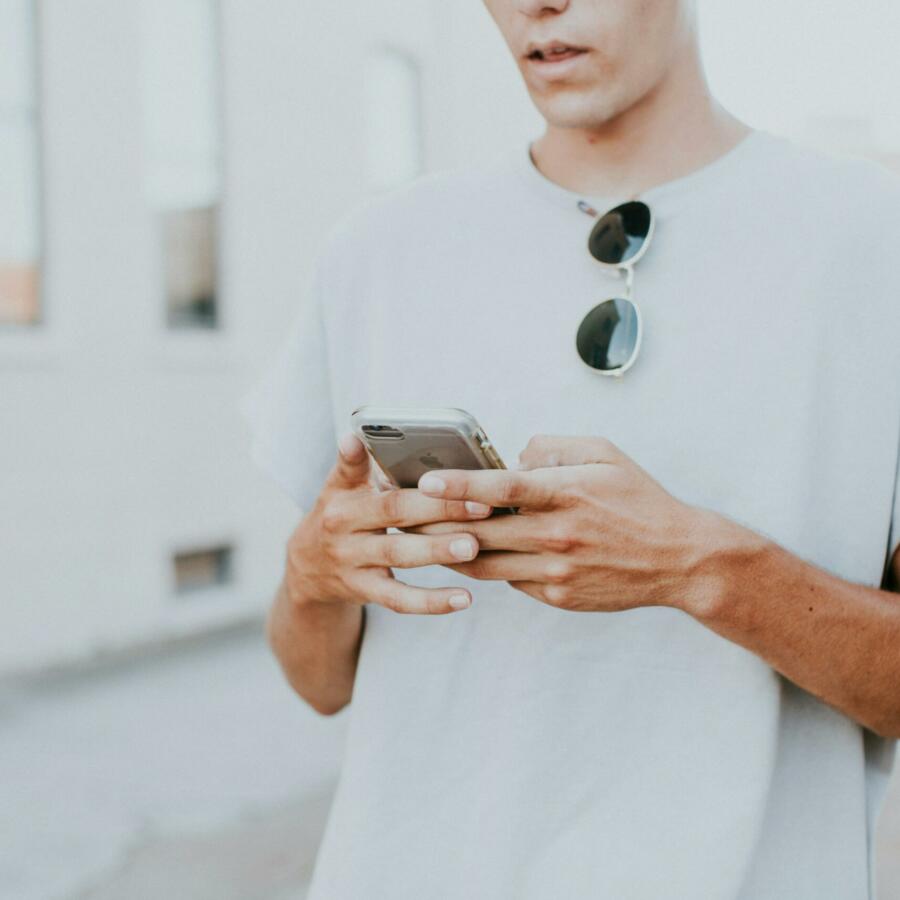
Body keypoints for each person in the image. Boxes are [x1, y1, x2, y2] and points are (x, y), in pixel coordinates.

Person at [242, 1, 900, 897]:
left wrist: (702, 569)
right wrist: (313, 574)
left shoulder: (870, 242)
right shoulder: (379, 249)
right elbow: (318, 682)